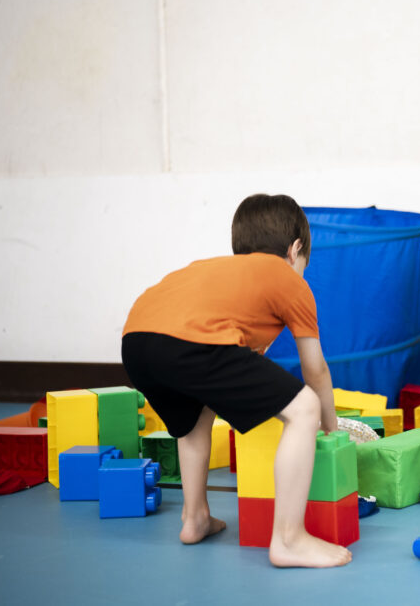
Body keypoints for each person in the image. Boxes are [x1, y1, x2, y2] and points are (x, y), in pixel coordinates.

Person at [120, 193, 351, 568]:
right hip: (188, 344)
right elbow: (315, 369)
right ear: (295, 250)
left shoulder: (218, 272)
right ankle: (289, 540)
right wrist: (328, 420)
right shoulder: (287, 279)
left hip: (137, 340)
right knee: (304, 407)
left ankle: (194, 518)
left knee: (197, 416)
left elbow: (227, 352)